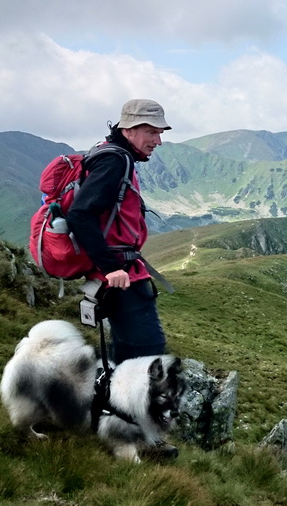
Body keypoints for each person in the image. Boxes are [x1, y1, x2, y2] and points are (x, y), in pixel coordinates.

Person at [66, 99, 171, 364]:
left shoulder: (109, 152)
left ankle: (113, 401)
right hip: (120, 274)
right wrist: (110, 267)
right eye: (152, 132)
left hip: (119, 272)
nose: (158, 140)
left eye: (159, 133)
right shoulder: (115, 161)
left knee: (126, 345)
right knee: (148, 348)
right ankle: (130, 403)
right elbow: (80, 214)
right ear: (129, 130)